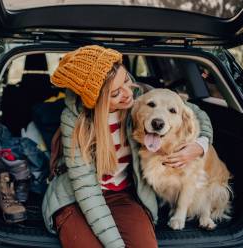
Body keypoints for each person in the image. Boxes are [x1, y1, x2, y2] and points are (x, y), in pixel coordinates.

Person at [42, 45, 213, 248]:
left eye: (126, 80)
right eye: (115, 93)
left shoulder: (143, 98)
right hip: (77, 197)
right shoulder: (74, 121)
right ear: (95, 100)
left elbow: (196, 113)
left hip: (123, 194)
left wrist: (200, 145)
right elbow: (86, 190)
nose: (127, 93)